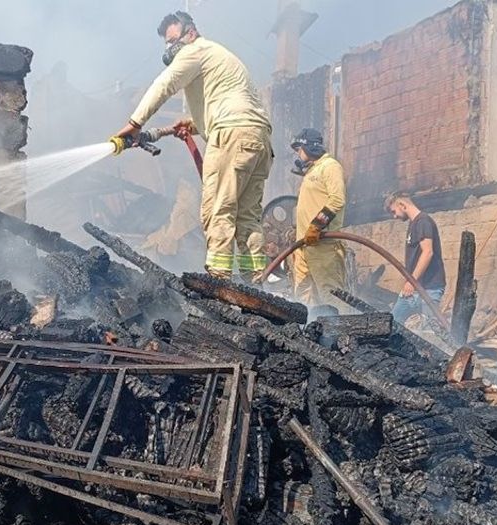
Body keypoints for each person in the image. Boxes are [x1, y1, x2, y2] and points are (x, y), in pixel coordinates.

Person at [114, 11, 273, 279]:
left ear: (191, 32)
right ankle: (255, 285)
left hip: (231, 135)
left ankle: (220, 281)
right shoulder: (220, 56)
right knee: (248, 217)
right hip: (257, 140)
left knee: (218, 210)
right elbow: (234, 110)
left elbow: (164, 84)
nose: (171, 47)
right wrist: (194, 124)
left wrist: (135, 123)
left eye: (174, 38)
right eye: (167, 42)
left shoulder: (195, 50)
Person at [290, 128, 347, 307]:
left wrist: (316, 225)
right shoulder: (312, 170)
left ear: (309, 147)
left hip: (323, 244)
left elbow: (337, 200)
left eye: (299, 148)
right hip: (303, 245)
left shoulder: (330, 166)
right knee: (302, 297)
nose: (297, 153)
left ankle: (344, 332)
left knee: (332, 295)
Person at [386, 191, 446, 325]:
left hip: (429, 288)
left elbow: (428, 252)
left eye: (394, 211)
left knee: (432, 329)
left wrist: (412, 281)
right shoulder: (413, 224)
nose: (394, 216)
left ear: (402, 204)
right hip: (414, 289)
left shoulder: (423, 221)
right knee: (392, 323)